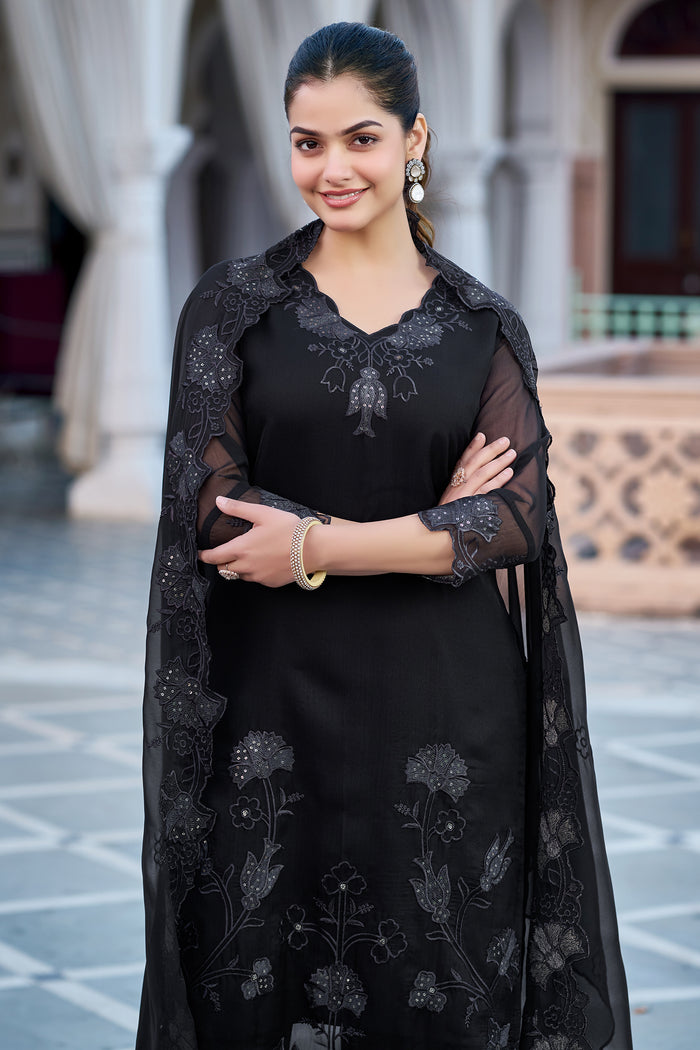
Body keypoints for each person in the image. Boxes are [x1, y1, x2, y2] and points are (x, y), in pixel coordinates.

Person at [137, 22, 632, 1050]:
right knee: (261, 995)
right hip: (272, 720)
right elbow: (216, 513)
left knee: (443, 995)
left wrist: (315, 546)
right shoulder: (231, 308)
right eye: (305, 142)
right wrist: (429, 525)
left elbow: (513, 521)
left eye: (359, 138)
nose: (330, 169)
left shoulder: (480, 324)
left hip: (447, 716)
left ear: (415, 139)